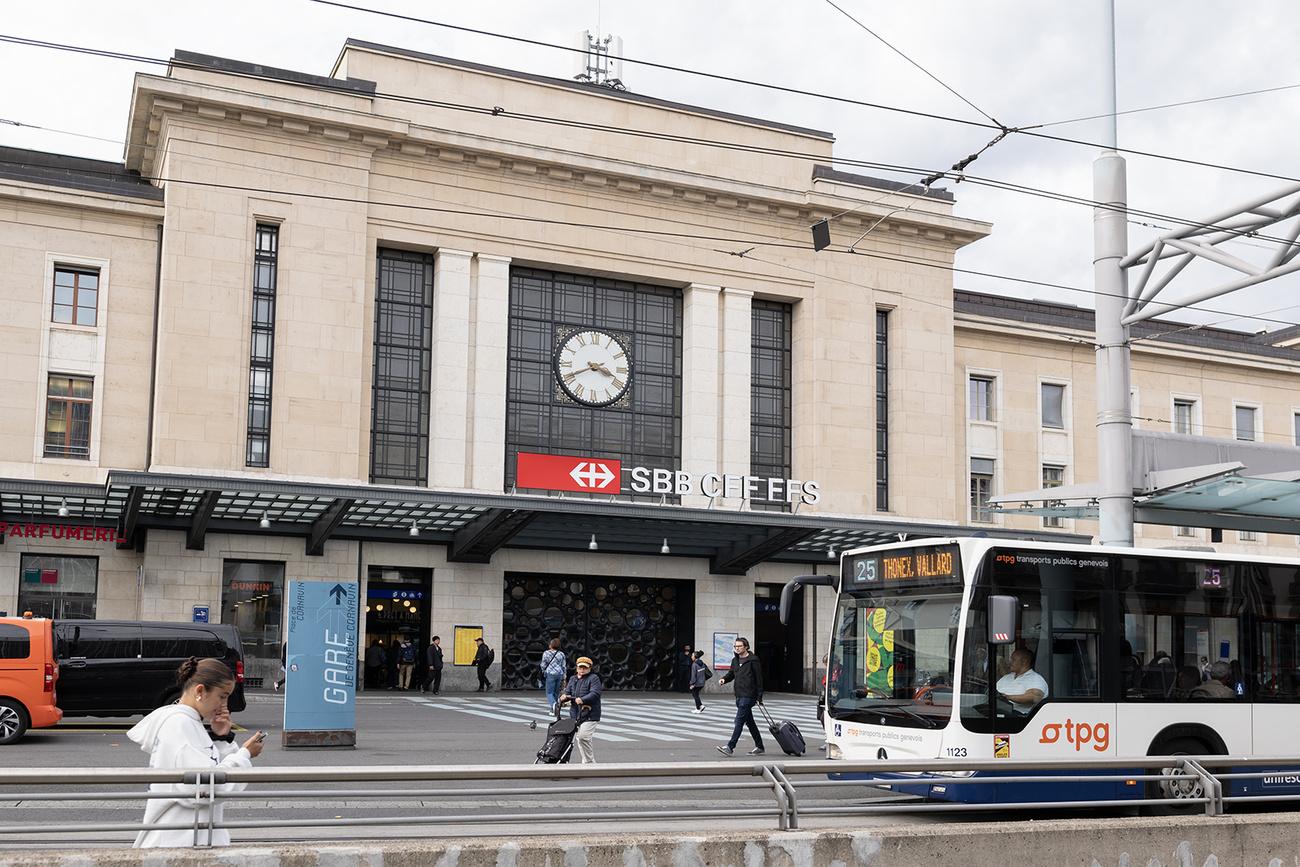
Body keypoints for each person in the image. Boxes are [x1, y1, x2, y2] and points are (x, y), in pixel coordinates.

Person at [127, 657, 265, 848]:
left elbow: (208, 774)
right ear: (200, 691)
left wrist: (222, 737)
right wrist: (244, 754)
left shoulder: (184, 721)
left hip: (180, 837)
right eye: (222, 696)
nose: (224, 705)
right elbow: (208, 788)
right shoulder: (181, 725)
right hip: (180, 841)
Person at [716, 637, 765, 756]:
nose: (737, 648)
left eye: (739, 646)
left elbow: (759, 679)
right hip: (739, 694)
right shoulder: (735, 660)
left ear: (746, 647)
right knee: (750, 722)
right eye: (735, 646)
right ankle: (760, 746)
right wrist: (724, 679)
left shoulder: (753, 660)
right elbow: (731, 673)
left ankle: (730, 747)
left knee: (738, 721)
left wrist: (759, 697)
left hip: (749, 695)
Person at [559, 656, 602, 763]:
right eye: (580, 667)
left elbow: (595, 693)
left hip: (590, 713)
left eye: (585, 668)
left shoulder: (594, 678)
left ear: (590, 668)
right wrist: (564, 696)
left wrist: (583, 699)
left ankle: (589, 763)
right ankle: (587, 762)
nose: (582, 670)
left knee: (583, 737)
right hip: (576, 714)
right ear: (577, 668)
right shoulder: (573, 679)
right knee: (581, 738)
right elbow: (567, 691)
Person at [996, 648, 1049, 713]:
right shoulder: (1006, 677)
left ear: (1024, 662)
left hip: (1019, 717)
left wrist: (1007, 698)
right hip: (996, 713)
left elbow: (1034, 697)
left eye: (1013, 660)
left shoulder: (1035, 679)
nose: (1010, 662)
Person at [540, 637, 566, 712]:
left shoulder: (546, 653)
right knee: (556, 692)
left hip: (550, 673)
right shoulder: (561, 654)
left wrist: (543, 671)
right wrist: (564, 676)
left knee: (549, 692)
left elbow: (543, 664)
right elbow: (563, 666)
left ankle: (554, 704)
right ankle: (553, 709)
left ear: (551, 645)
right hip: (559, 674)